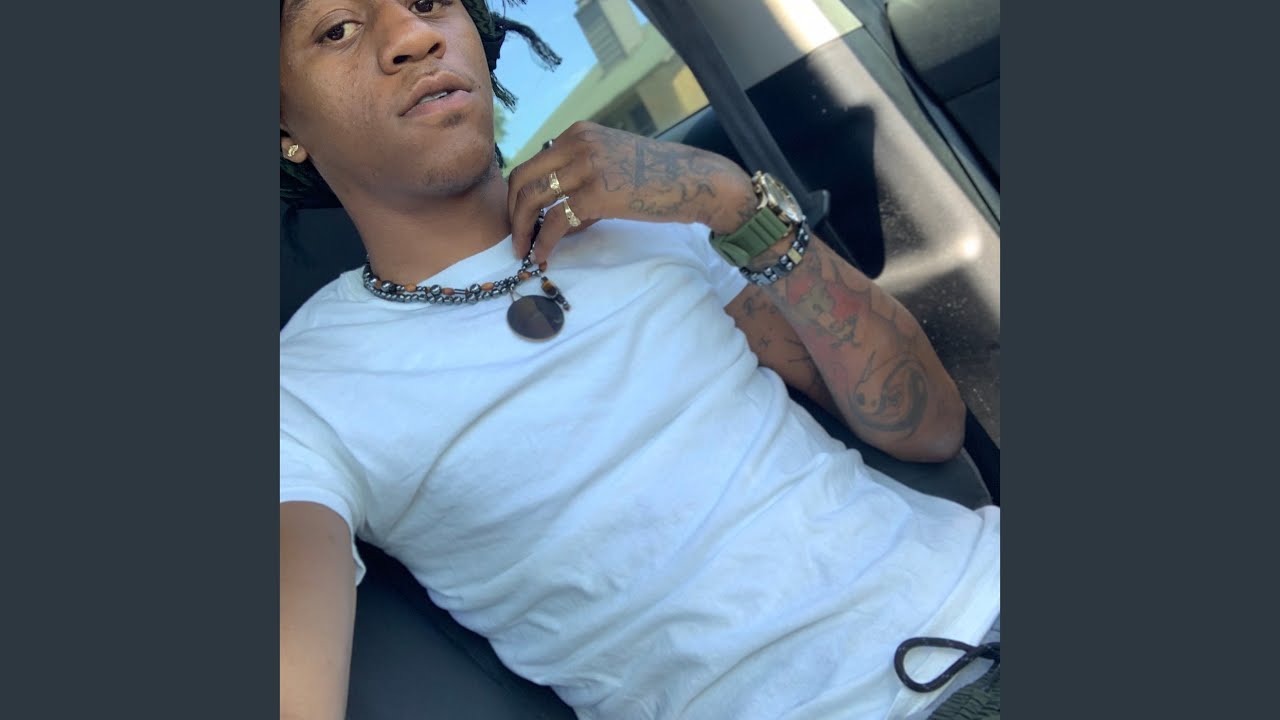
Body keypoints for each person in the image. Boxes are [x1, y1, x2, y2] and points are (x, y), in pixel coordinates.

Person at [278, 1, 1001, 719]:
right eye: (337, 29)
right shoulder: (304, 392)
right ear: (285, 130)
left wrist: (731, 201)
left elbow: (928, 428)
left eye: (429, 2)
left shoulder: (641, 209)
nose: (413, 35)